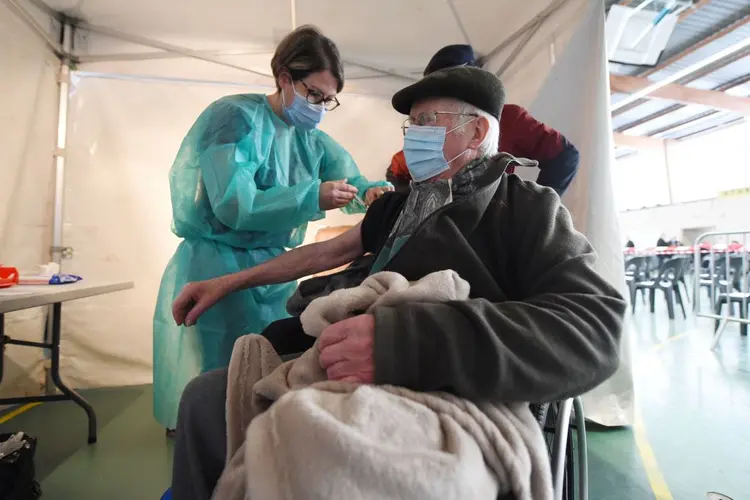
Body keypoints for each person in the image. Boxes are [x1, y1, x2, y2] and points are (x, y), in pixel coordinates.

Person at [169, 67, 626, 499]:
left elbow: (595, 327)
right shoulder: (399, 205)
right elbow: (322, 254)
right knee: (205, 400)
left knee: (312, 443)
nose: (414, 137)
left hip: (442, 384)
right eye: (411, 125)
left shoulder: (523, 209)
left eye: (428, 121)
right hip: (338, 360)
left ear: (477, 132)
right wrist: (227, 282)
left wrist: (404, 344)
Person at [152, 25, 392, 434]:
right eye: (313, 94)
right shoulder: (233, 119)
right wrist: (311, 196)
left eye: (328, 100)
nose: (318, 106)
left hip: (278, 272)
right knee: (218, 383)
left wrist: (370, 194)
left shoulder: (312, 141)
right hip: (216, 265)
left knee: (265, 375)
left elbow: (349, 182)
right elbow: (234, 205)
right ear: (284, 77)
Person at [385, 44, 579, 196]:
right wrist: (405, 204)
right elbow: (396, 168)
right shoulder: (428, 132)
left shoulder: (509, 118)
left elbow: (565, 156)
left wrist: (534, 210)